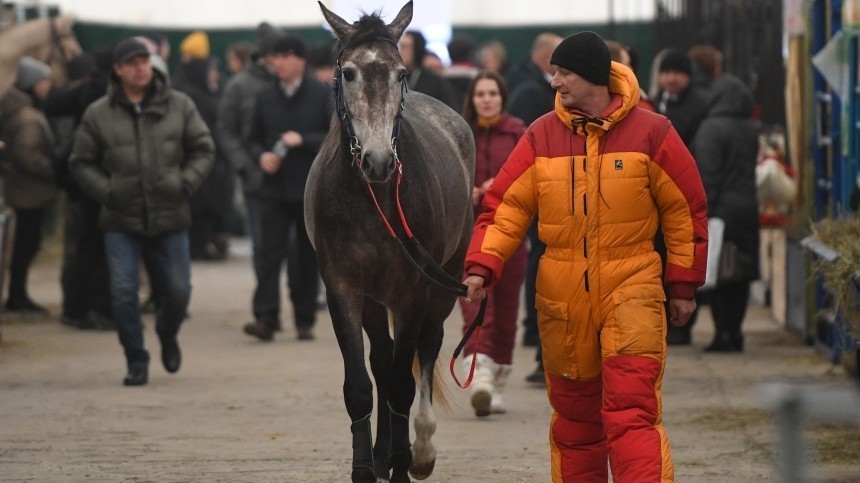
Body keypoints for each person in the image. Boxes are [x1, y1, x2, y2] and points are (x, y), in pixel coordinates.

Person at [462, 32, 708, 481]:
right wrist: (482, 266)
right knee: (576, 425)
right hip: (562, 302)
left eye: (564, 73)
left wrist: (683, 285)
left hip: (632, 292)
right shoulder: (540, 136)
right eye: (553, 72)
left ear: (593, 77)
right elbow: (504, 208)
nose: (554, 82)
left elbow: (685, 211)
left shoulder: (654, 132)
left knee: (631, 415)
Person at [70, 38, 215, 386]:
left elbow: (204, 148)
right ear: (118, 70)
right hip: (120, 219)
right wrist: (107, 191)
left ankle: (167, 332)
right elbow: (80, 162)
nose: (140, 68)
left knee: (179, 292)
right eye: (132, 62)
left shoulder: (179, 105)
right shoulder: (98, 114)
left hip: (170, 215)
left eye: (144, 61)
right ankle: (136, 358)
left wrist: (183, 184)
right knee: (123, 293)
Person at [240, 34, 329, 342]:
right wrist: (260, 156)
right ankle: (266, 318)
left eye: (285, 56)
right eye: (275, 57)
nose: (278, 62)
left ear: (300, 61)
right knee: (268, 253)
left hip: (308, 189)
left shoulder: (321, 94)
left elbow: (334, 138)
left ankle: (304, 319)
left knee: (306, 256)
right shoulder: (265, 96)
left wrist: (302, 140)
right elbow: (251, 138)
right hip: (274, 189)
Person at [458, 71, 527, 417]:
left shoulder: (518, 133)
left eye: (492, 93)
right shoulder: (459, 133)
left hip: (511, 232)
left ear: (502, 97)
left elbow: (530, 175)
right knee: (475, 303)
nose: (486, 99)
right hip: (468, 233)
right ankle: (479, 375)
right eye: (480, 94)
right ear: (472, 99)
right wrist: (464, 192)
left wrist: (495, 186)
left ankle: (497, 382)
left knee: (507, 311)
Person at [43, 48, 115, 330]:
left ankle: (77, 307)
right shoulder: (103, 91)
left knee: (84, 246)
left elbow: (52, 104)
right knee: (93, 248)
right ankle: (90, 308)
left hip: (81, 181)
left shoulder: (88, 89)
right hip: (96, 182)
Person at [506, 32, 562, 385]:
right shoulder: (531, 93)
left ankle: (538, 341)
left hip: (548, 190)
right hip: (542, 193)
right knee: (538, 260)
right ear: (545, 56)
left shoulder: (538, 88)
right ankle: (537, 338)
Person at [692, 74, 760, 352]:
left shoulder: (711, 128)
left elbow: (708, 173)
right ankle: (736, 332)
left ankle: (723, 335)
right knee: (740, 271)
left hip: (722, 208)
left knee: (719, 270)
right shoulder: (750, 128)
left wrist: (704, 209)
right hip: (747, 206)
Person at [653, 48, 709, 345]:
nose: (671, 79)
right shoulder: (658, 102)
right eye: (666, 72)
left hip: (682, 190)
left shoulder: (698, 106)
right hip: (658, 194)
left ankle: (683, 324)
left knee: (682, 253)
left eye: (677, 73)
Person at [217, 23, 280, 281]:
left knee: (296, 246)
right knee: (262, 245)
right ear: (264, 55)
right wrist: (244, 165)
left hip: (292, 179)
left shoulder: (289, 84)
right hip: (255, 180)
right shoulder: (239, 86)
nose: (281, 60)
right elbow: (226, 130)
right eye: (277, 54)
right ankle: (267, 308)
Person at [0, 58, 59, 314]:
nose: (48, 87)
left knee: (25, 244)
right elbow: (27, 155)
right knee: (27, 244)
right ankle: (17, 296)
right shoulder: (28, 118)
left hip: (24, 190)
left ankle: (17, 294)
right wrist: (54, 170)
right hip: (30, 192)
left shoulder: (18, 112)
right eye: (44, 81)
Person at [398, 30, 455, 109]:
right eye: (400, 46)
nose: (401, 51)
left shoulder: (435, 82)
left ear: (417, 49)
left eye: (406, 47)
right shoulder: (393, 78)